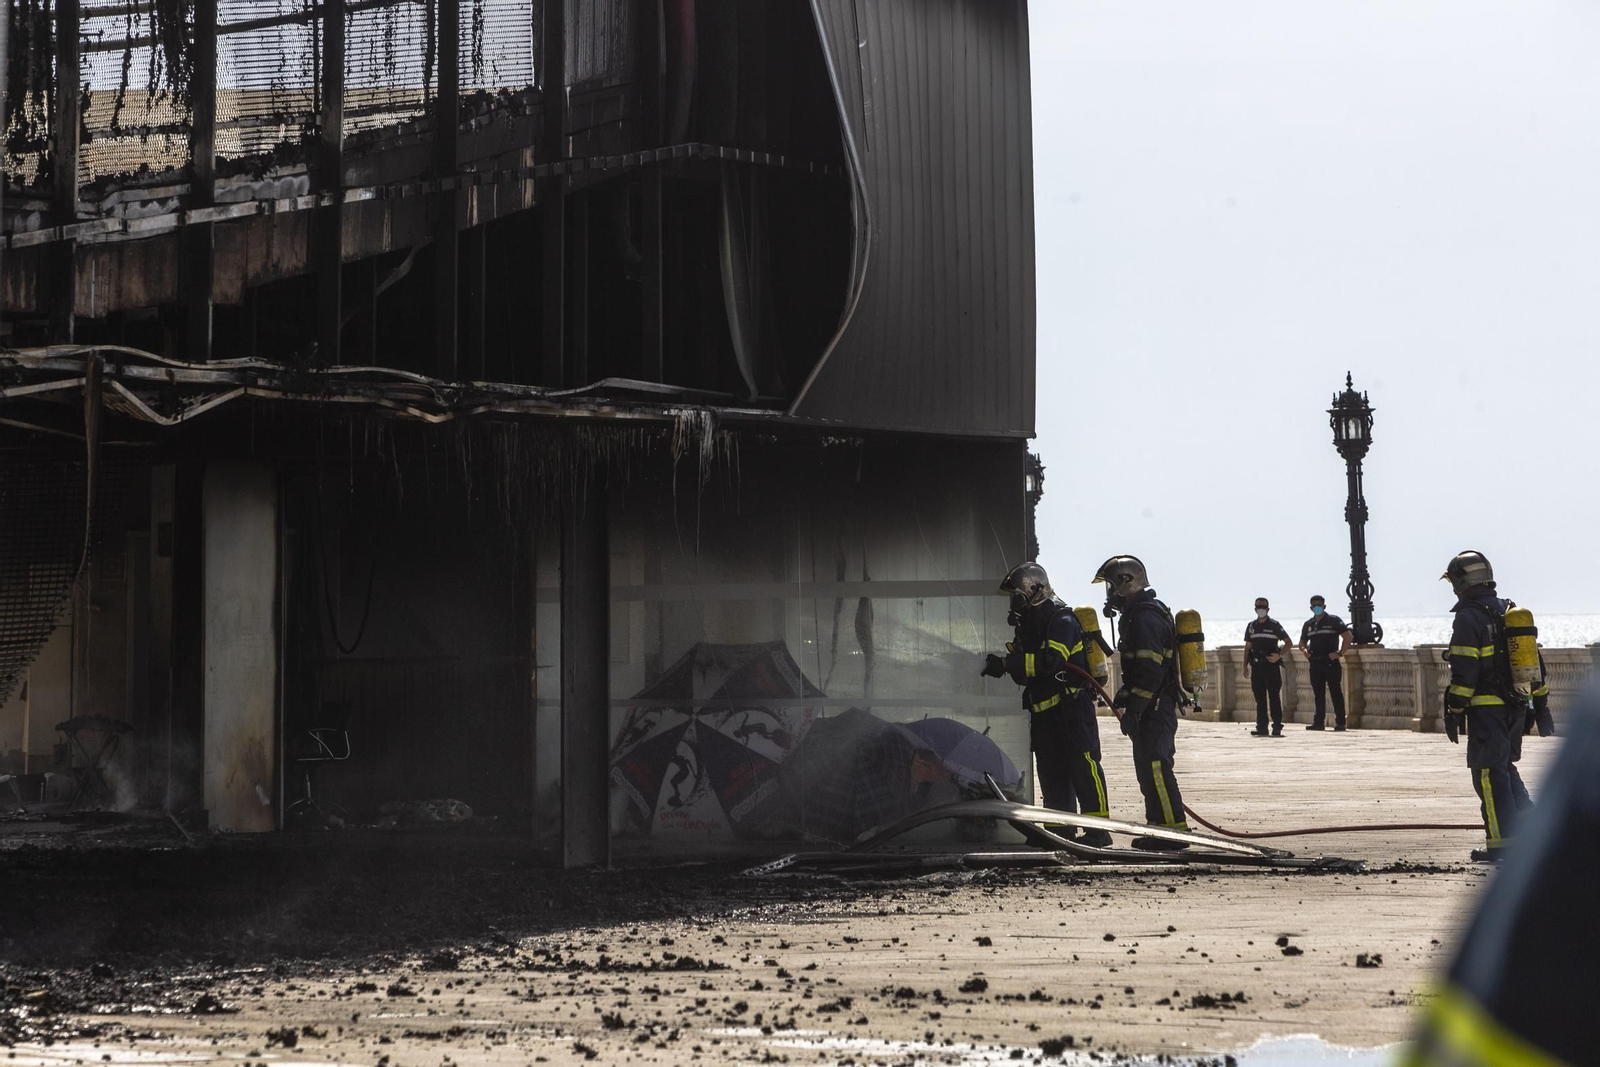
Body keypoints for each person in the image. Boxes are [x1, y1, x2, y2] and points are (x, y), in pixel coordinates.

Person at [981, 562, 1113, 848]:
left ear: (1033, 589)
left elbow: (1049, 662)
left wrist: (1006, 664)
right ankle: (1060, 830)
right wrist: (1008, 663)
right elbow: (1028, 669)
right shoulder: (1030, 625)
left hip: (1072, 709)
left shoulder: (1062, 620)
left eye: (1017, 594)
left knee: (1083, 766)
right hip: (1044, 713)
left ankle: (1099, 830)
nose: (1015, 602)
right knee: (1052, 772)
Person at [1092, 554, 1190, 851]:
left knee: (1157, 767)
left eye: (1110, 586)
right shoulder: (1138, 614)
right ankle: (1159, 828)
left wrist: (1135, 709)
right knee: (1148, 768)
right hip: (1151, 705)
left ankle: (1173, 831)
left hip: (1155, 706)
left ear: (1125, 583)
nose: (1108, 594)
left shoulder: (1145, 617)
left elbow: (1149, 670)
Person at [1439, 549, 1525, 862]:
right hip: (1514, 706)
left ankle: (1501, 845)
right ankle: (1532, 838)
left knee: (1489, 775)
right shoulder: (1507, 610)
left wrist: (1456, 708)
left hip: (1486, 708)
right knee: (1505, 770)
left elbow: (1465, 670)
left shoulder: (1469, 616)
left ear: (1462, 582)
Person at [1298, 595, 1352, 731]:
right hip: (1315, 662)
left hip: (1330, 662)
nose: (1317, 607)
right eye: (1314, 605)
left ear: (1324, 606)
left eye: (1319, 605)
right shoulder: (1308, 624)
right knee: (1318, 693)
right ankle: (1318, 722)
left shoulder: (1334, 621)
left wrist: (1340, 653)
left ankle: (1340, 722)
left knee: (1335, 692)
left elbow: (1347, 637)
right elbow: (1302, 642)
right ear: (1311, 608)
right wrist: (1304, 650)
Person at [1242, 597, 1293, 737]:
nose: (1261, 609)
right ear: (1255, 609)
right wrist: (1244, 666)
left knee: (1274, 697)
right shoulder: (1251, 626)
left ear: (1268, 609)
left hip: (1271, 666)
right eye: (1258, 606)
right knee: (1260, 699)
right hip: (1257, 666)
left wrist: (1279, 655)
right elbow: (1247, 648)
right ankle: (1262, 727)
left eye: (1263, 606)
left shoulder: (1275, 625)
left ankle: (1277, 726)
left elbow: (1289, 643)